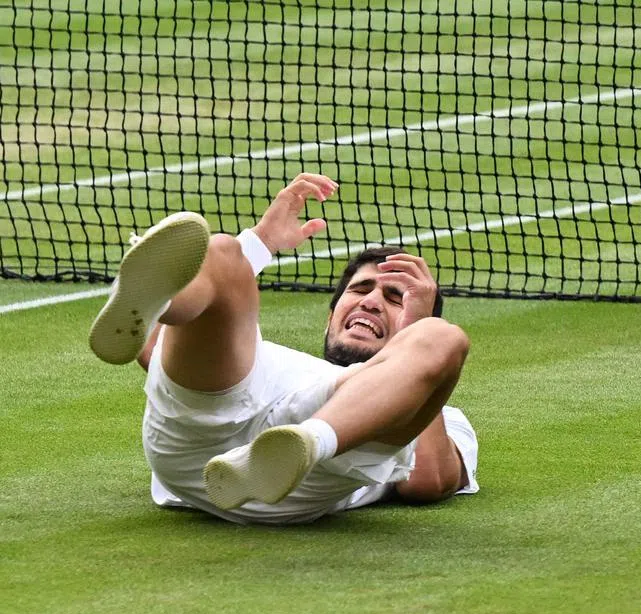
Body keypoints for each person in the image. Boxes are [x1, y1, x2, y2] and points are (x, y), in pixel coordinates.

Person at [88, 173, 478, 525]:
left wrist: (418, 335)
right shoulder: (262, 360)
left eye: (395, 299)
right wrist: (261, 244)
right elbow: (162, 352)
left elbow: (427, 478)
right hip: (202, 438)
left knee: (446, 338)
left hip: (311, 476)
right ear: (330, 317)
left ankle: (303, 445)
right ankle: (157, 303)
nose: (371, 301)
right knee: (224, 251)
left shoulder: (445, 417)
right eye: (360, 290)